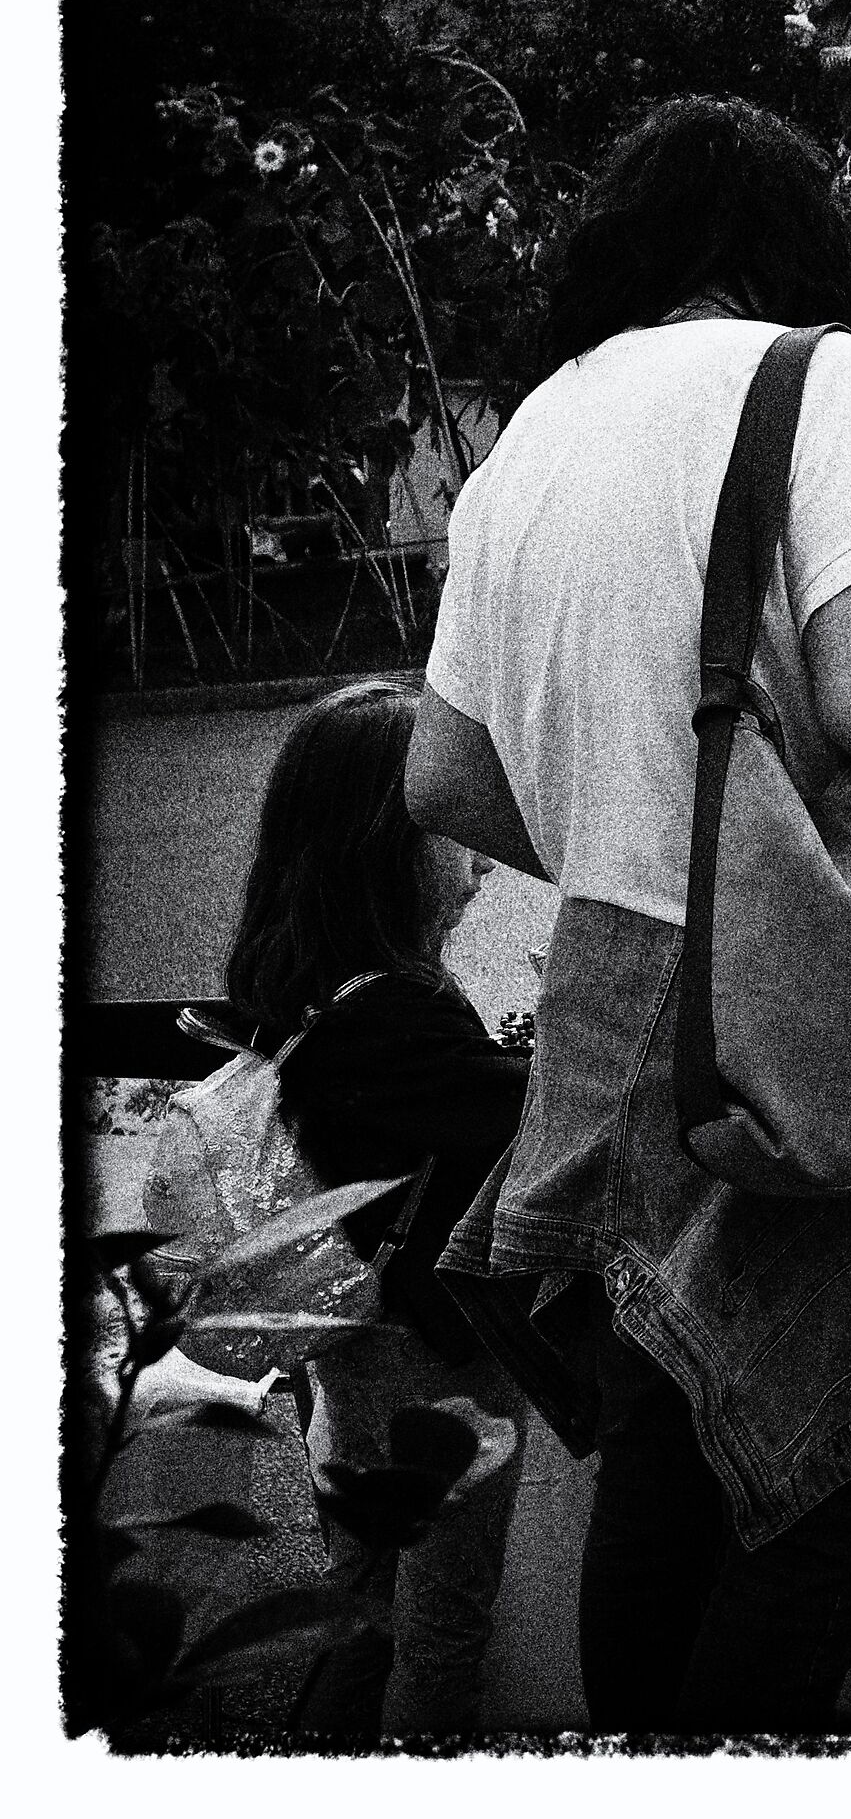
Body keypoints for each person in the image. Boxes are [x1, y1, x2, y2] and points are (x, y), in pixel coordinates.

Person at [404, 94, 851, 1737]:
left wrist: (626, 818)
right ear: (788, 253)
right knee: (825, 1471)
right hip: (773, 992)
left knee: (668, 1447)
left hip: (601, 1003)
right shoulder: (811, 376)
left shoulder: (526, 438)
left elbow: (445, 779)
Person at [218, 678, 532, 1739]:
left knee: (364, 1606)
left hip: (346, 1351)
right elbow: (533, 1120)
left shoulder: (301, 989)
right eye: (456, 830)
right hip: (428, 1364)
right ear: (381, 845)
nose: (484, 857)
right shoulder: (394, 1018)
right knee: (443, 1626)